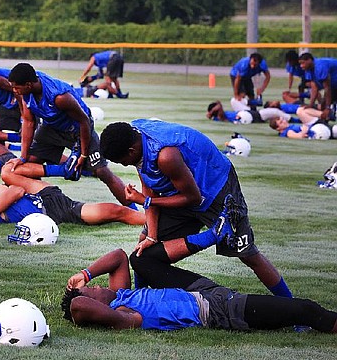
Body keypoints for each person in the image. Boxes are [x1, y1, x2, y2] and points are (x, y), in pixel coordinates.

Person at [99, 119, 294, 300]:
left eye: (121, 161)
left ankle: (292, 307)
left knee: (247, 255)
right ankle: (139, 298)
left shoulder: (165, 155)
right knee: (145, 247)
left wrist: (146, 201)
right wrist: (151, 234)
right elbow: (147, 180)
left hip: (217, 189)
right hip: (182, 188)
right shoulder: (134, 134)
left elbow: (193, 198)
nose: (122, 165)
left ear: (131, 151)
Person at [61, 239, 337, 333]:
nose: (95, 286)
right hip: (220, 310)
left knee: (139, 259)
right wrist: (78, 298)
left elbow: (118, 257)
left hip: (202, 291)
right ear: (98, 305)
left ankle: (214, 233)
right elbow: (78, 305)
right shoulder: (124, 314)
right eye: (92, 289)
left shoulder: (121, 292)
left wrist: (85, 274)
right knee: (306, 310)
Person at [6, 63, 133, 206]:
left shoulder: (59, 97)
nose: (14, 90)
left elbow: (84, 121)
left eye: (16, 87)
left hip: (78, 129)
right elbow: (29, 122)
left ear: (28, 85)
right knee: (30, 162)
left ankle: (133, 209)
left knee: (101, 171)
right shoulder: (26, 90)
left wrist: (83, 154)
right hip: (52, 127)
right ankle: (39, 202)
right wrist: (22, 157)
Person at [0, 162, 145, 226]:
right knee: (116, 212)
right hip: (51, 209)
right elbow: (17, 191)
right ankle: (148, 219)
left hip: (44, 199)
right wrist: (3, 189)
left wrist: (4, 189)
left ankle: (66, 168)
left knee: (9, 173)